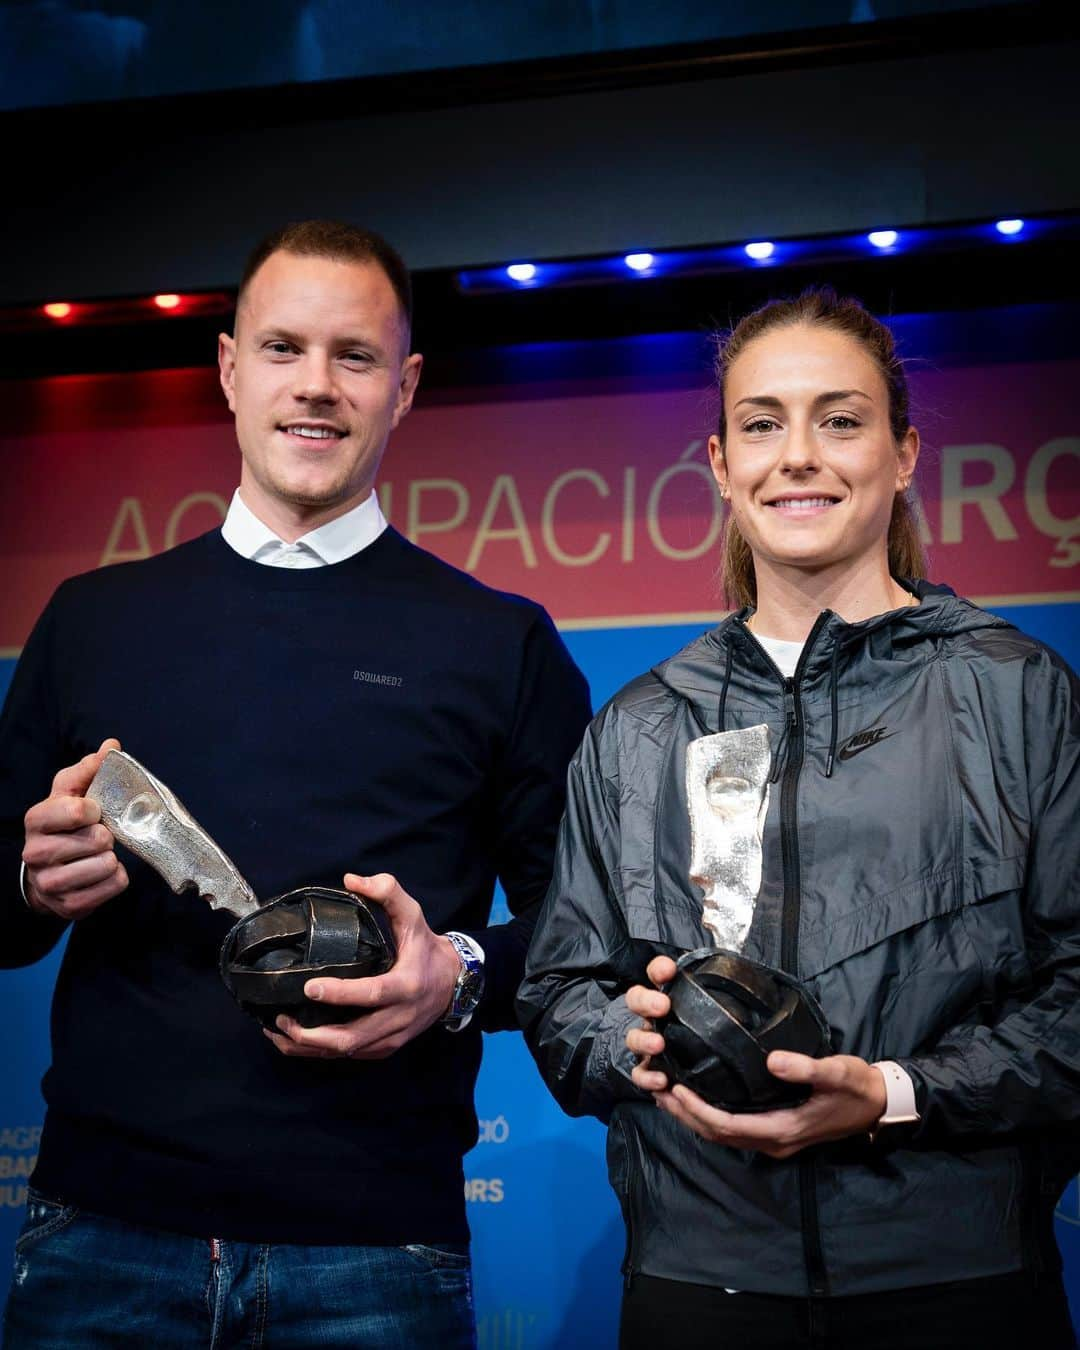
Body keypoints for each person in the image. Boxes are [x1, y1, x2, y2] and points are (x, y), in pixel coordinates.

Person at [0, 219, 591, 1349]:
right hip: (99, 1242)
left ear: (405, 385)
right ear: (228, 368)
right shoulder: (91, 621)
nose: (315, 387)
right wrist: (29, 884)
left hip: (376, 1259)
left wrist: (452, 977)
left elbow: (589, 928)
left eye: (354, 357)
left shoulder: (499, 643)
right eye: (282, 349)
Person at [518, 288, 1080, 1350]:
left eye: (842, 419)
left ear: (904, 453)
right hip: (700, 1287)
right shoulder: (641, 725)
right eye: (763, 424)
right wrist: (641, 1043)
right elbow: (558, 995)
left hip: (958, 1284)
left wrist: (890, 1093)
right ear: (723, 465)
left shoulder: (1020, 695)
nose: (800, 456)